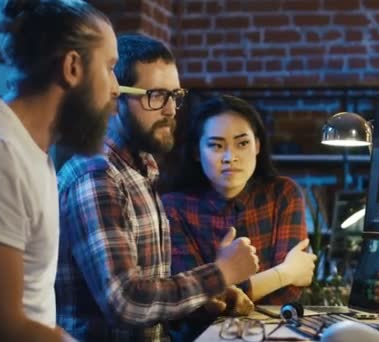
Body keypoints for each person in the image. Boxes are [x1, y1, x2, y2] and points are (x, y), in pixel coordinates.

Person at [55, 34, 259, 341]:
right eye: (156, 96)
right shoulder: (96, 174)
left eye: (174, 96)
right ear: (115, 97)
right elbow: (126, 301)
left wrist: (201, 301)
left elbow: (149, 292)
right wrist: (220, 273)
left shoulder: (141, 168)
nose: (170, 110)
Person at [0, 1, 119, 341]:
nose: (116, 87)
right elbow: (0, 327)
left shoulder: (25, 145)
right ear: (72, 67)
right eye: (110, 67)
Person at [162, 95, 316, 306]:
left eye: (242, 143)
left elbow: (288, 295)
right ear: (197, 152)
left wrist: (220, 290)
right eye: (216, 146)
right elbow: (192, 302)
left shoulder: (283, 193)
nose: (230, 157)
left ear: (258, 146)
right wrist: (285, 273)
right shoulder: (173, 208)